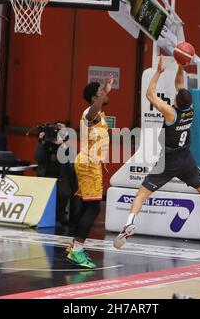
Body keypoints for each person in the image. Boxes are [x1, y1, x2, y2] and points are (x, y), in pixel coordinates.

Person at [114, 56, 200, 250]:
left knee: (141, 194)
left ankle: (129, 224)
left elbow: (149, 95)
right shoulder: (191, 109)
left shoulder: (172, 113)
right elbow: (180, 84)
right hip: (186, 160)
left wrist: (158, 73)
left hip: (169, 161)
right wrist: (181, 64)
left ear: (175, 102)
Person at [66, 74, 113, 269]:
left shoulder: (98, 112)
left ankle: (74, 246)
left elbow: (99, 106)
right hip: (88, 164)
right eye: (101, 92)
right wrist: (101, 95)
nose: (105, 94)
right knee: (93, 207)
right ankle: (77, 250)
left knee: (87, 207)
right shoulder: (90, 113)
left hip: (89, 163)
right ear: (94, 98)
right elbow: (91, 114)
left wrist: (105, 90)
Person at [35, 122, 76, 227]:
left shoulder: (69, 146)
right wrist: (42, 142)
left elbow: (70, 164)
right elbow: (38, 158)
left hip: (63, 178)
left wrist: (62, 146)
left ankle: (60, 215)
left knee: (64, 192)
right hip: (46, 177)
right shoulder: (46, 142)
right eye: (57, 129)